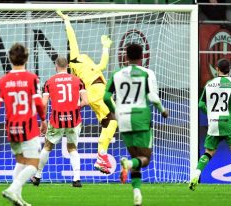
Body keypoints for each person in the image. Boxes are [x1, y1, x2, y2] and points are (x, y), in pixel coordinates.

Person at [104, 43, 168, 206]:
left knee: (136, 157)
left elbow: (105, 97)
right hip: (141, 118)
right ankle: (128, 164)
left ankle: (137, 195)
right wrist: (162, 110)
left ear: (125, 57)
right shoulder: (145, 74)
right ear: (142, 57)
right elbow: (152, 97)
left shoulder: (116, 74)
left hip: (123, 118)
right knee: (144, 158)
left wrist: (115, 111)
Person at [0, 43, 47, 206]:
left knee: (21, 162)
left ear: (10, 59)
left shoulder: (3, 80)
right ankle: (13, 189)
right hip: (28, 126)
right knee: (34, 164)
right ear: (26, 58)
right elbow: (39, 103)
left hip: (11, 128)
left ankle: (17, 198)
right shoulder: (32, 78)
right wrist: (43, 119)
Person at [57, 10, 117, 174]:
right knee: (114, 119)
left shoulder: (89, 64)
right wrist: (67, 21)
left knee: (108, 122)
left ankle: (101, 157)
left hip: (98, 92)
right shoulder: (75, 59)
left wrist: (105, 48)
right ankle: (101, 156)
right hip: (96, 91)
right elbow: (72, 38)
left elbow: (102, 66)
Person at [189, 58, 231, 192]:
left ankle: (195, 175)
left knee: (208, 152)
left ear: (217, 69)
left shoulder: (209, 84)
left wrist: (211, 114)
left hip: (213, 123)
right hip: (229, 123)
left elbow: (201, 104)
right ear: (229, 69)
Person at [31, 56, 88, 188]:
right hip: (74, 120)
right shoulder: (78, 81)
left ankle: (38, 176)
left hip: (57, 120)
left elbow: (44, 103)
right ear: (67, 65)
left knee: (47, 146)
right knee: (72, 148)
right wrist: (74, 107)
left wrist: (43, 121)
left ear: (56, 66)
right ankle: (77, 179)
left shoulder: (49, 82)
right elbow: (86, 101)